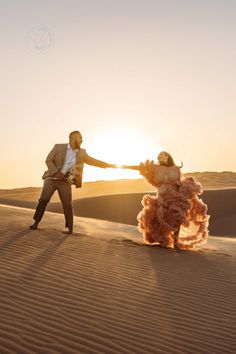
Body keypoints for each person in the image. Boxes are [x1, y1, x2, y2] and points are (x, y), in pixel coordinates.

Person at [30, 130, 116, 234]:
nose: (81, 140)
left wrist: (109, 165)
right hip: (51, 178)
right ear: (72, 139)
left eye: (81, 138)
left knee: (67, 204)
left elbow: (94, 161)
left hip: (65, 182)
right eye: (79, 137)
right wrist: (56, 173)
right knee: (43, 199)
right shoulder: (58, 147)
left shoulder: (82, 153)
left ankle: (69, 228)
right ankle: (36, 222)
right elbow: (48, 160)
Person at [122, 151, 209, 250]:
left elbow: (179, 181)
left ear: (168, 157)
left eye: (162, 156)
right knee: (164, 216)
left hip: (176, 195)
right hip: (163, 195)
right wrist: (122, 166)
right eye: (159, 157)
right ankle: (166, 238)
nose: (159, 158)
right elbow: (140, 168)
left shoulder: (175, 168)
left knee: (178, 217)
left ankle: (176, 241)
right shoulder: (155, 168)